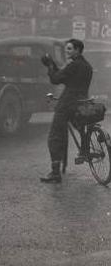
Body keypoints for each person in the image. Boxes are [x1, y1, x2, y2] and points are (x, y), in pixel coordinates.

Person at [40, 38, 93, 183]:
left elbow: (56, 79)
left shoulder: (73, 66)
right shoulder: (87, 66)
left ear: (77, 50)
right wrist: (56, 67)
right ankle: (85, 150)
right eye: (66, 49)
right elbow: (65, 77)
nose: (66, 51)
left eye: (69, 49)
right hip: (82, 102)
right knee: (80, 126)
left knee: (55, 135)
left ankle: (55, 173)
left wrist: (50, 65)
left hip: (67, 103)